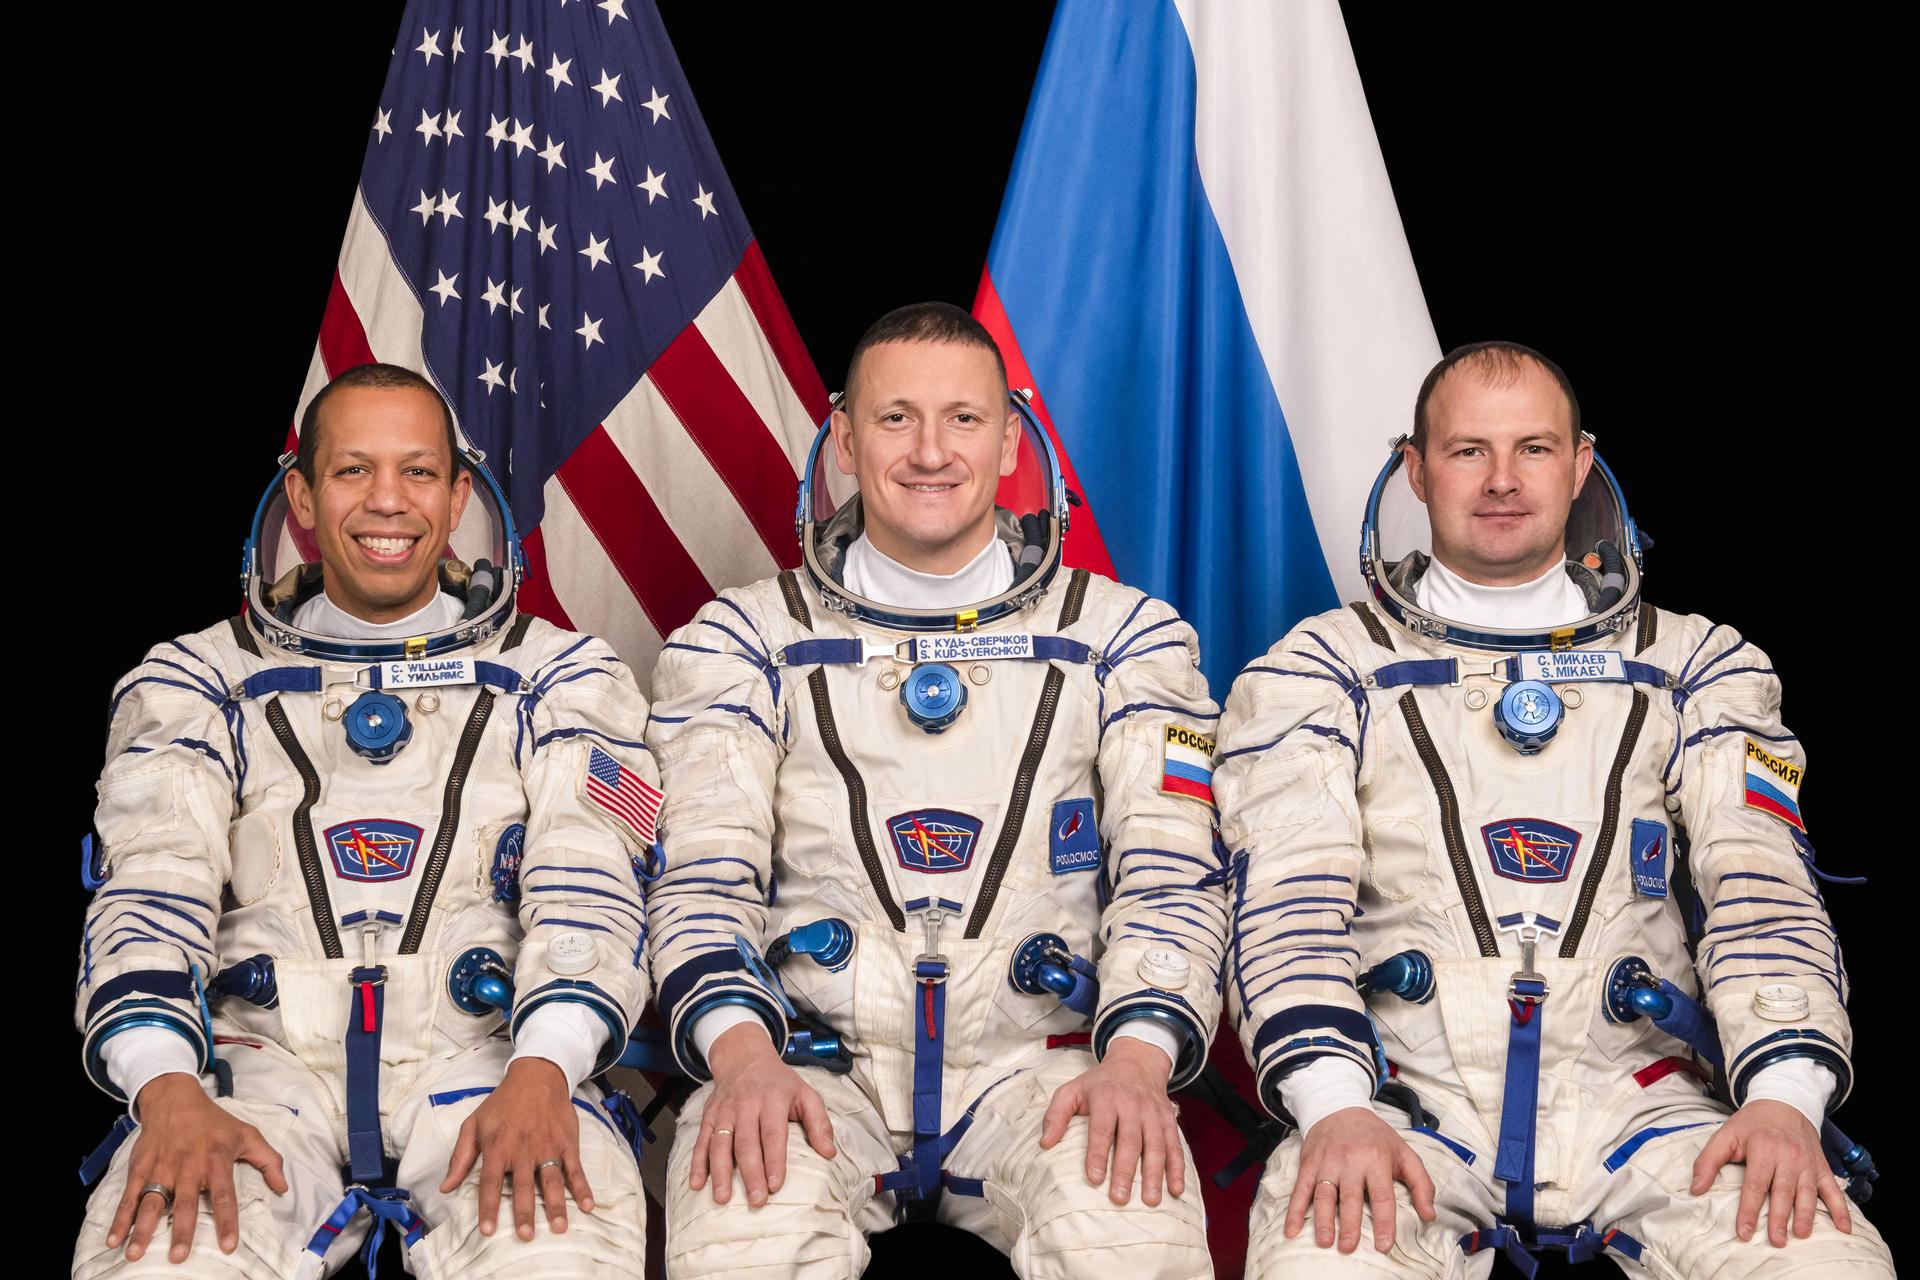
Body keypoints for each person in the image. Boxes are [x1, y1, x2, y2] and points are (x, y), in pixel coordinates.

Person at [1216, 342, 1893, 1277]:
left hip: (1643, 1098)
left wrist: (1784, 1098)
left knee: (1825, 1263)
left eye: (1534, 449)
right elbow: (1288, 910)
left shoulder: (1700, 667)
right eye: (1467, 452)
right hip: (1405, 1098)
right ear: (1414, 469)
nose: (1502, 480)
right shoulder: (1322, 670)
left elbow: (1761, 892)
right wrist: (1335, 1105)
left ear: (1580, 466)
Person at [645, 303, 1227, 1279]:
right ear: (843, 437)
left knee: (1133, 1235)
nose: (929, 451)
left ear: (1009, 442)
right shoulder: (740, 641)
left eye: (963, 419)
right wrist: (739, 1051)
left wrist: (1139, 1056)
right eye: (895, 417)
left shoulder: (1128, 637)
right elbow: (702, 875)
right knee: (740, 1231)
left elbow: (1173, 874)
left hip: (1046, 1064)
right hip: (803, 1065)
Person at [72, 364, 656, 1279]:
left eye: (419, 472)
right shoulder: (196, 679)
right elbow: (149, 888)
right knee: (161, 1259)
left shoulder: (564, 675)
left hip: (492, 1062)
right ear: (300, 493)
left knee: (562, 1257)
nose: (389, 502)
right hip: (254, 1073)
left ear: (461, 493)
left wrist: (549, 1066)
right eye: (353, 471)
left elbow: (593, 883)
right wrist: (167, 1090)